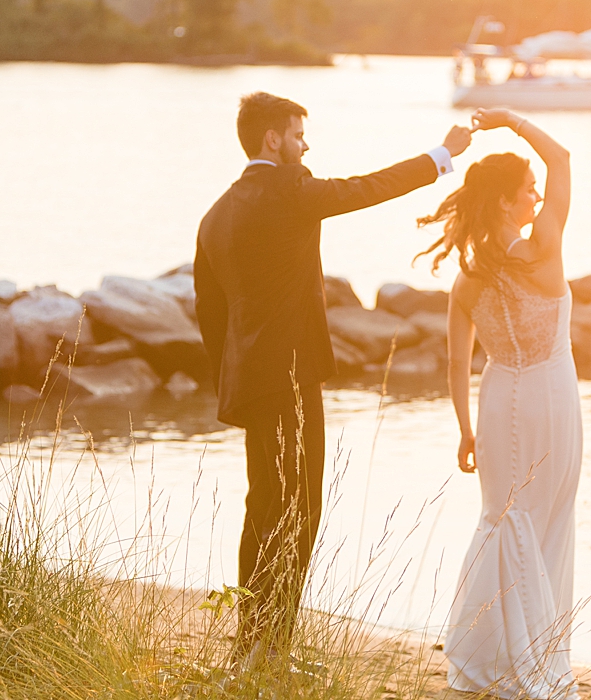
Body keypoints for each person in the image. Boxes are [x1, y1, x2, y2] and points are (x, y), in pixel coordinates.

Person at [193, 91, 472, 659]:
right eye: (298, 135)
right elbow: (366, 189)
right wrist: (442, 155)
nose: (306, 145)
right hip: (291, 379)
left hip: (250, 384)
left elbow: (209, 314)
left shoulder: (216, 214)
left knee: (263, 507)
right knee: (299, 509)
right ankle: (272, 649)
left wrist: (235, 380)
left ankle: (254, 641)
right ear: (273, 139)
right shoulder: (290, 191)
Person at [418, 107, 582, 700]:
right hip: (551, 397)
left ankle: (489, 653)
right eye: (529, 191)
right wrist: (511, 120)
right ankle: (531, 655)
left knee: (502, 519)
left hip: (498, 400)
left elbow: (457, 362)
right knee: (545, 520)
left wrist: (464, 429)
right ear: (510, 201)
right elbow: (561, 157)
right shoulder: (543, 251)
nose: (538, 198)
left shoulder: (468, 277)